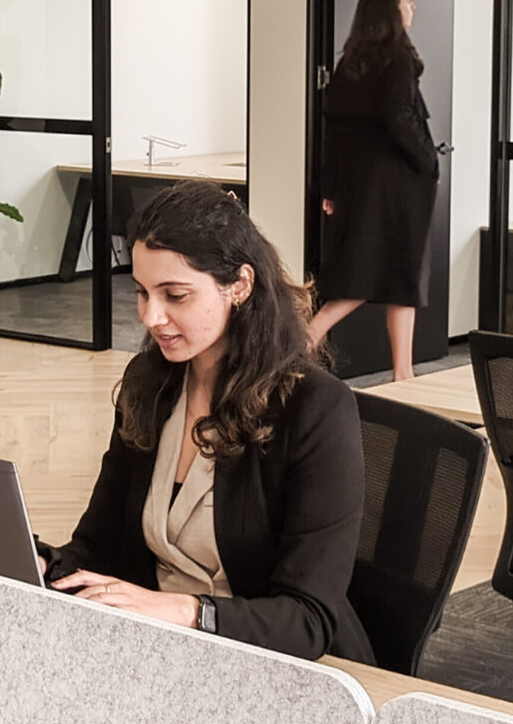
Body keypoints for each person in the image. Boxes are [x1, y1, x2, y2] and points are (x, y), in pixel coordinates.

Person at [42, 181, 374, 664]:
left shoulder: (315, 408)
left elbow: (307, 620)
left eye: (175, 295)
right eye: (142, 293)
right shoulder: (149, 384)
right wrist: (45, 564)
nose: (152, 317)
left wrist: (186, 612)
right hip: (162, 650)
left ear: (239, 285)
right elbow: (99, 546)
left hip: (278, 666)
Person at [310, 0, 439, 381]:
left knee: (385, 275)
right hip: (399, 186)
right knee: (389, 275)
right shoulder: (397, 59)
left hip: (364, 186)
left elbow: (336, 130)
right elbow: (400, 118)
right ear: (390, 7)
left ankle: (404, 374)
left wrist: (331, 185)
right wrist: (427, 159)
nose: (413, 7)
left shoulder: (352, 60)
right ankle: (308, 335)